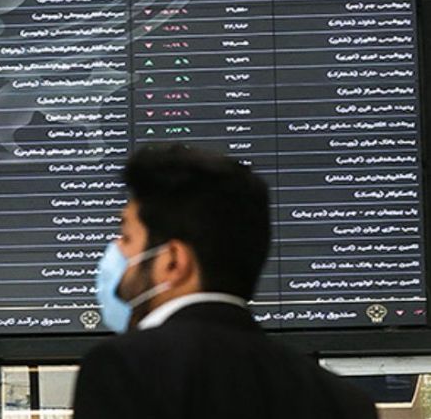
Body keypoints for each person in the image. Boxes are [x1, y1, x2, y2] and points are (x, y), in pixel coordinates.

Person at [74, 144, 377, 419]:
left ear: (173, 262)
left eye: (127, 238)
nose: (115, 251)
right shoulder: (344, 401)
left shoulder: (124, 368)